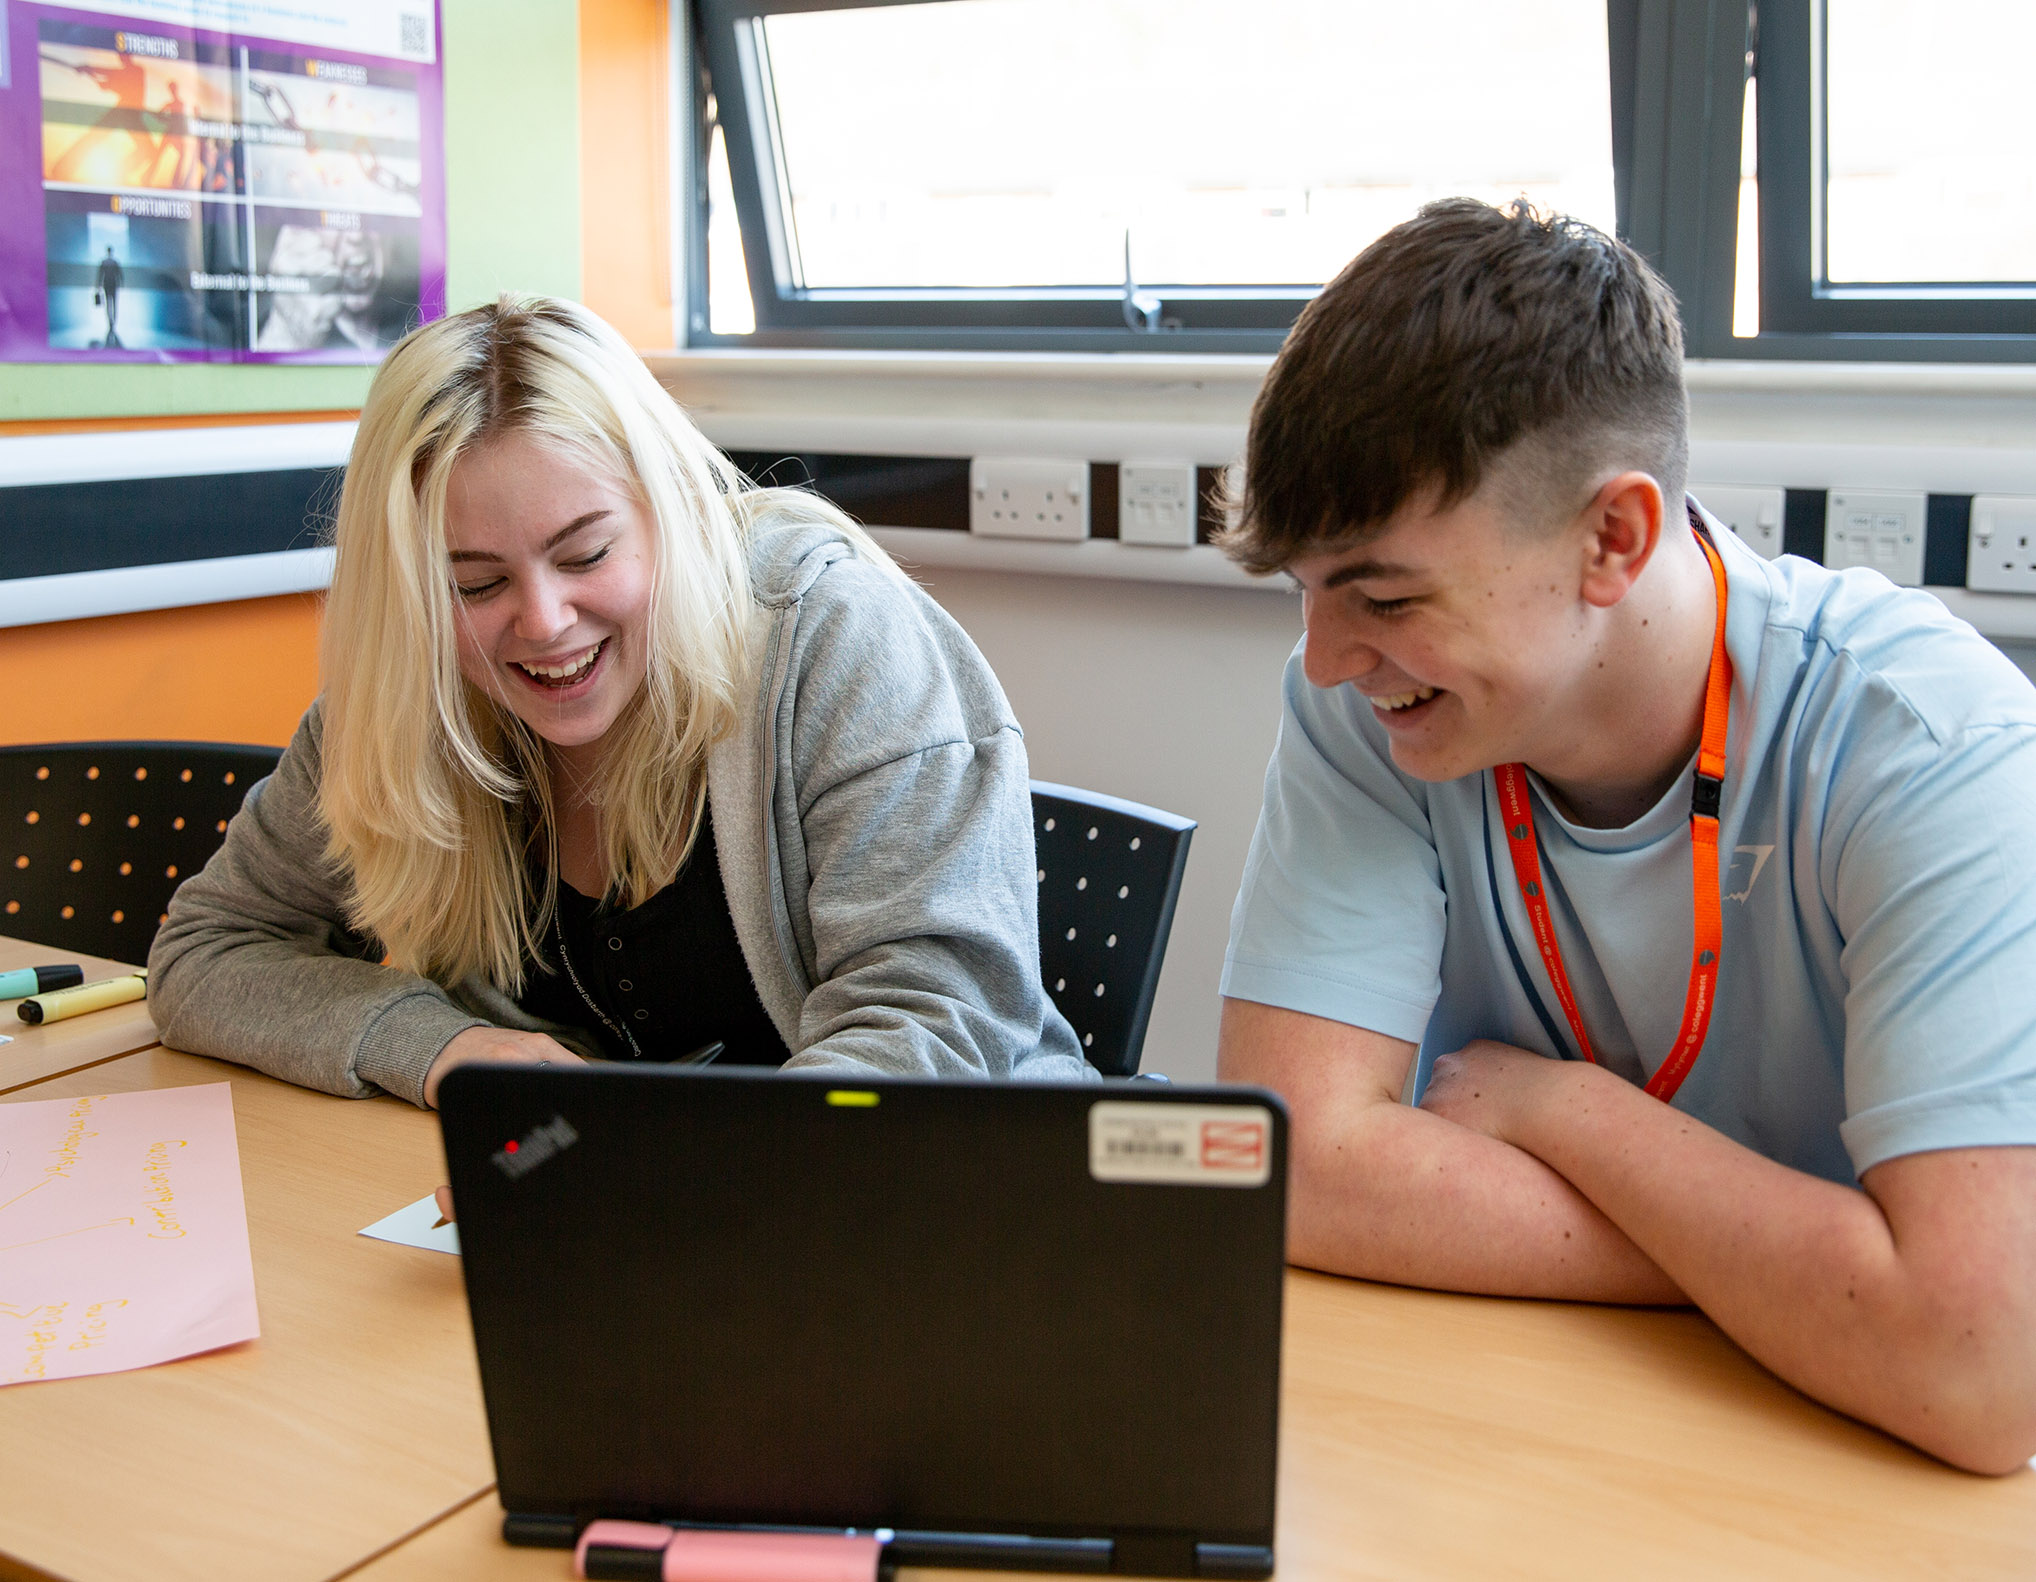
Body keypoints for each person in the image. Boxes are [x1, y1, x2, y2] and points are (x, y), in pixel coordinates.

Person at [1216, 199, 2036, 1474]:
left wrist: (1569, 1112)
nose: (1324, 661)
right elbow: (1296, 1165)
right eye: (1307, 594)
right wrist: (1804, 1277)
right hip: (1545, 1426)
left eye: (1381, 594)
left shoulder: (1936, 753)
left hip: (1845, 1467)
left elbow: (1976, 1369)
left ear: (1613, 537)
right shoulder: (1373, 709)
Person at [150, 294, 1089, 1114]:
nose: (545, 622)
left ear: (670, 509)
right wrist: (440, 1048)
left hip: (918, 1199)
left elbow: (937, 1015)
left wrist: (682, 1167)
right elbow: (206, 952)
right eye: (474, 586)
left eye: (587, 554)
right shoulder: (406, 696)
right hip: (611, 1202)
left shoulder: (837, 637)